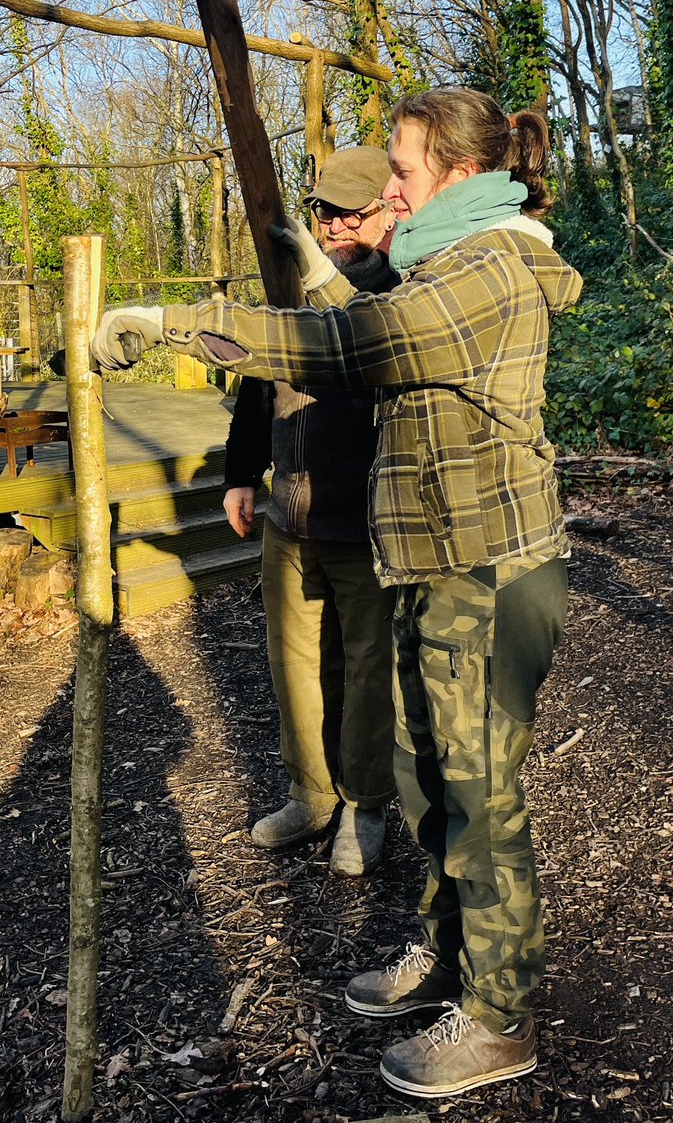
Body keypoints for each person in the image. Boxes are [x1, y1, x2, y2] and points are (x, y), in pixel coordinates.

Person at [93, 87, 583, 1100]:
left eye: (401, 171)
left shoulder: (491, 266)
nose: (389, 191)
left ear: (453, 173)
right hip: (431, 560)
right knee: (421, 770)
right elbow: (383, 325)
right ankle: (447, 952)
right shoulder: (450, 259)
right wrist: (328, 284)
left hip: (485, 572)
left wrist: (177, 324)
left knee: (476, 791)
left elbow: (354, 351)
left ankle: (499, 1015)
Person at [222, 146, 399, 876]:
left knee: (366, 672)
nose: (329, 225)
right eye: (322, 210)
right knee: (293, 664)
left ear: (388, 213)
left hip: (363, 518)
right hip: (288, 513)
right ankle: (312, 794)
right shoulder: (290, 282)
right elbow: (263, 377)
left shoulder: (404, 287)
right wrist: (241, 473)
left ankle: (366, 803)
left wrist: (325, 282)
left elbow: (373, 346)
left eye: (347, 213)